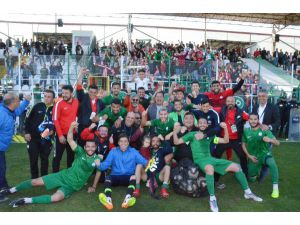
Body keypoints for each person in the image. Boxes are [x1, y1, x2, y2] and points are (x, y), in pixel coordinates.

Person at [0, 121, 101, 207]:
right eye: (88, 146)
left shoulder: (97, 159)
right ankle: (11, 190)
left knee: (56, 198)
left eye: (92, 147)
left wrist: (94, 186)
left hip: (72, 186)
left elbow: (98, 172)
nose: (90, 148)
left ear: (95, 148)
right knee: (35, 182)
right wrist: (71, 127)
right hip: (62, 176)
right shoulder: (80, 152)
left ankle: (26, 200)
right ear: (84, 148)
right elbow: (70, 140)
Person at [173, 118, 263, 212]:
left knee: (237, 167)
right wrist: (175, 132)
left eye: (204, 123)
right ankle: (212, 198)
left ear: (207, 125)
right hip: (200, 160)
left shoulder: (209, 136)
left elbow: (225, 140)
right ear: (198, 125)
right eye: (200, 123)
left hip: (211, 159)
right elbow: (176, 142)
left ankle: (248, 192)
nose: (203, 124)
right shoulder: (192, 135)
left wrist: (225, 128)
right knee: (210, 169)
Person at [95, 133, 148, 210]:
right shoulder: (113, 151)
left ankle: (127, 199)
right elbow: (106, 164)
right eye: (121, 141)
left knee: (134, 177)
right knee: (108, 178)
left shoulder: (133, 151)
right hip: (115, 176)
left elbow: (143, 161)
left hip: (128, 177)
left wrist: (151, 162)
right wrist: (99, 164)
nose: (123, 143)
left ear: (128, 142)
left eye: (125, 141)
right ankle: (108, 200)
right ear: (118, 143)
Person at [0, 93, 31, 202]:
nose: (20, 102)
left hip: (2, 148)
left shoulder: (10, 111)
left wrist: (26, 101)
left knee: (2, 168)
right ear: (12, 102)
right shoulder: (1, 114)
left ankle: (3, 187)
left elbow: (18, 110)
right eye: (18, 100)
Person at [242, 113, 280, 198]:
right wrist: (249, 155)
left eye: (255, 119)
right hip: (253, 158)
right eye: (251, 119)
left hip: (264, 154)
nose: (253, 121)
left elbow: (278, 143)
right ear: (248, 120)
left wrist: (270, 140)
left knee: (272, 163)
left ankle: (275, 188)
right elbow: (243, 144)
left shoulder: (264, 129)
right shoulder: (246, 131)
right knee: (252, 179)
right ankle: (259, 170)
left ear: (258, 120)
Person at [24, 89, 55, 179]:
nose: (46, 98)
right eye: (45, 96)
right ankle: (34, 177)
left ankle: (44, 178)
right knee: (33, 159)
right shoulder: (36, 106)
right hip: (33, 138)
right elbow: (27, 120)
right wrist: (26, 132)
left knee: (45, 159)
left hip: (47, 139)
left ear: (53, 98)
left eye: (49, 97)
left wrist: (54, 131)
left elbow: (57, 122)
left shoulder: (55, 108)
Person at [52, 85, 79, 172]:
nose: (64, 95)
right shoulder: (58, 103)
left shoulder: (76, 102)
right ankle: (55, 177)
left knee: (71, 157)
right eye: (63, 93)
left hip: (72, 135)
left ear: (71, 93)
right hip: (61, 135)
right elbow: (55, 120)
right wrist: (60, 135)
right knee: (57, 157)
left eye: (66, 93)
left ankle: (69, 176)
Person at [76, 68, 105, 142]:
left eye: (94, 92)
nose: (92, 94)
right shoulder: (83, 97)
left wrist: (99, 118)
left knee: (92, 146)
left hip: (94, 126)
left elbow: (103, 113)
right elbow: (79, 86)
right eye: (91, 92)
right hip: (83, 126)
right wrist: (81, 74)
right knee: (81, 145)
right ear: (88, 91)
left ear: (97, 92)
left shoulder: (100, 102)